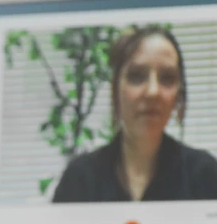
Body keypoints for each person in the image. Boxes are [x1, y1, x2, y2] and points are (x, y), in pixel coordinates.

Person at [52, 26, 217, 203]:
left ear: (179, 95)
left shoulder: (204, 175)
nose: (153, 92)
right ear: (116, 89)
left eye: (167, 78)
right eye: (137, 76)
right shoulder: (80, 179)